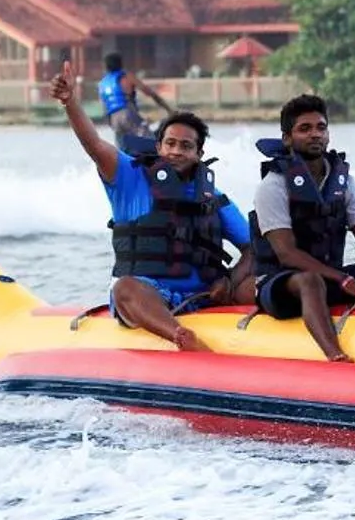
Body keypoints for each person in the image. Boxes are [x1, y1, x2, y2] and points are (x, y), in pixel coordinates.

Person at [51, 60, 248, 352]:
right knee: (124, 288)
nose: (176, 152)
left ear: (199, 153)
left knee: (257, 277)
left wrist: (230, 282)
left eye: (185, 146)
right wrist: (71, 103)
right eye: (170, 144)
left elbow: (255, 247)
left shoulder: (212, 196)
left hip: (203, 296)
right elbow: (94, 144)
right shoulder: (129, 175)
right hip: (150, 294)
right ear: (158, 147)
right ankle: (181, 337)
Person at [248, 93, 355, 362]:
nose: (315, 134)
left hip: (331, 278)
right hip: (279, 285)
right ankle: (334, 355)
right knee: (310, 281)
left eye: (321, 128)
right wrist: (345, 280)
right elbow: (287, 254)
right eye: (305, 129)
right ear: (287, 138)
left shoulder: (344, 183)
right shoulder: (273, 186)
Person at [97, 52, 169, 144]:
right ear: (120, 64)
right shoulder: (126, 77)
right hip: (127, 113)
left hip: (113, 119)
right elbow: (149, 92)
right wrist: (167, 108)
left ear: (106, 66)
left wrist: (110, 123)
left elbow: (104, 105)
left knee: (123, 146)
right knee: (149, 141)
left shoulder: (102, 84)